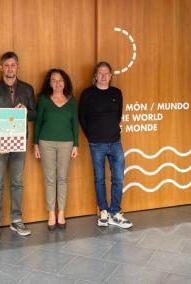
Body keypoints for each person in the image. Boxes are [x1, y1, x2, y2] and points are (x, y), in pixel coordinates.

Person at [0, 51, 36, 240]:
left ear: (18, 67)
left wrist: (26, 111)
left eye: (13, 65)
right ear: (1, 67)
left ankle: (16, 219)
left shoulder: (27, 89)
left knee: (17, 183)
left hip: (19, 143)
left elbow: (34, 114)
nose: (9, 68)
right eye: (6, 65)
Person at [79, 61, 133, 229]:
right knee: (100, 179)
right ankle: (104, 211)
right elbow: (82, 118)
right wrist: (92, 136)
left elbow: (118, 116)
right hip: (97, 144)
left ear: (111, 76)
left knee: (118, 179)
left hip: (115, 142)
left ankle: (115, 212)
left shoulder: (117, 92)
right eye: (100, 73)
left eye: (106, 73)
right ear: (95, 76)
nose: (103, 76)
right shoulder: (87, 93)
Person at [34, 69, 79, 230]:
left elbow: (75, 124)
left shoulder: (72, 101)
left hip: (67, 143)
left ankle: (61, 213)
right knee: (50, 179)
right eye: (53, 80)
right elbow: (38, 122)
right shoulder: (44, 100)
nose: (57, 83)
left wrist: (76, 145)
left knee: (62, 178)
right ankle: (51, 213)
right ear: (49, 82)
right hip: (46, 142)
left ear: (65, 82)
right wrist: (35, 144)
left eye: (60, 80)